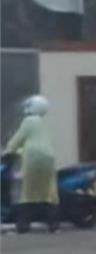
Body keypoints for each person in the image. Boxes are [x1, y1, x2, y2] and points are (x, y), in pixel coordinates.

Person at [4, 95, 59, 233]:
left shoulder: (29, 121)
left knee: (28, 192)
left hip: (33, 158)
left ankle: (23, 226)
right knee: (48, 192)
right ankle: (53, 225)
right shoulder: (41, 123)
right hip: (48, 158)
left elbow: (18, 139)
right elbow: (36, 142)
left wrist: (8, 151)